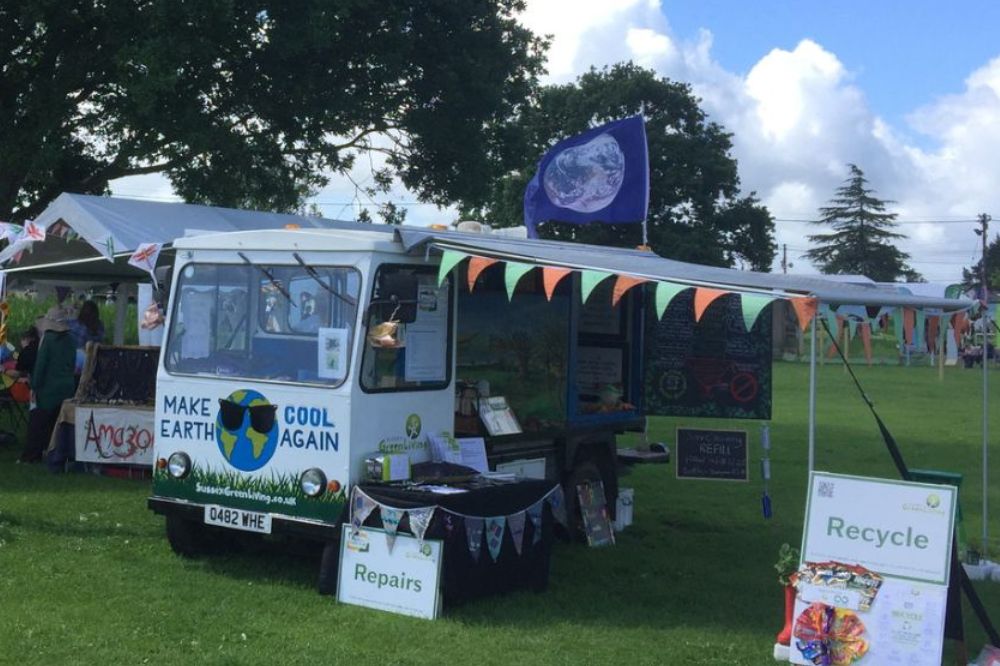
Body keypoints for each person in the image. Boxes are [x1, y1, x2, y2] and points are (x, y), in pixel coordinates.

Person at [19, 308, 77, 463]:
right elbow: (72, 365)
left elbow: (41, 365)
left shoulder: (48, 339)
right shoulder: (71, 340)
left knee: (38, 423)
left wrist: (34, 386)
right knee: (58, 425)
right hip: (67, 386)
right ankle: (55, 454)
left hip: (48, 388)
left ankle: (32, 455)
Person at [6, 327, 39, 404]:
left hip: (35, 389)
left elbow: (17, 373)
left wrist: (4, 370)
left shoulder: (26, 352)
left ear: (26, 339)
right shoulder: (42, 346)